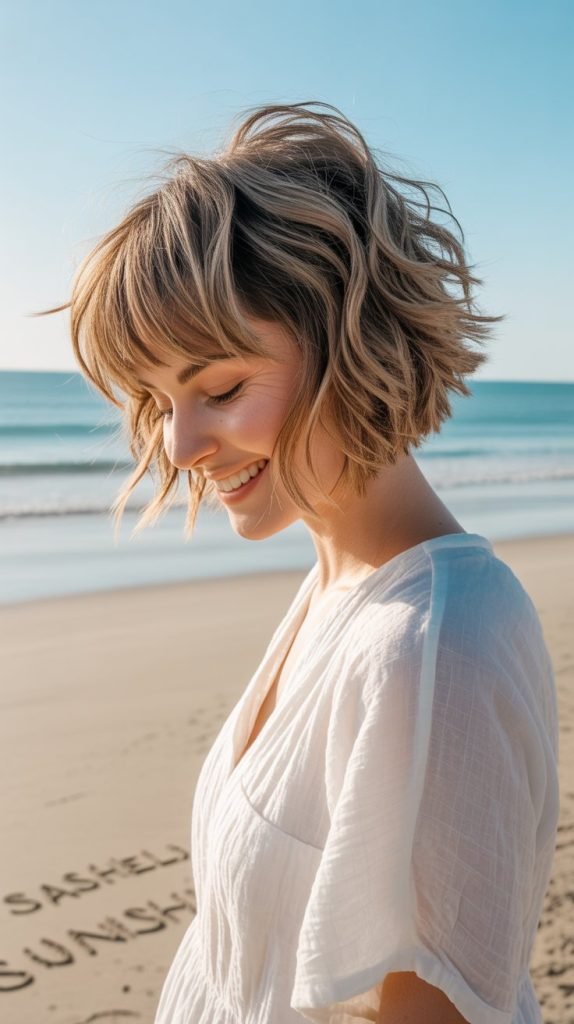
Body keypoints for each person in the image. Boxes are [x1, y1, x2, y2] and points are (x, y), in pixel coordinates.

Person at [57, 102, 559, 1023]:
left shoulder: (434, 648)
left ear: (353, 339)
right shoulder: (341, 585)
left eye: (220, 389)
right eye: (158, 398)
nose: (179, 444)